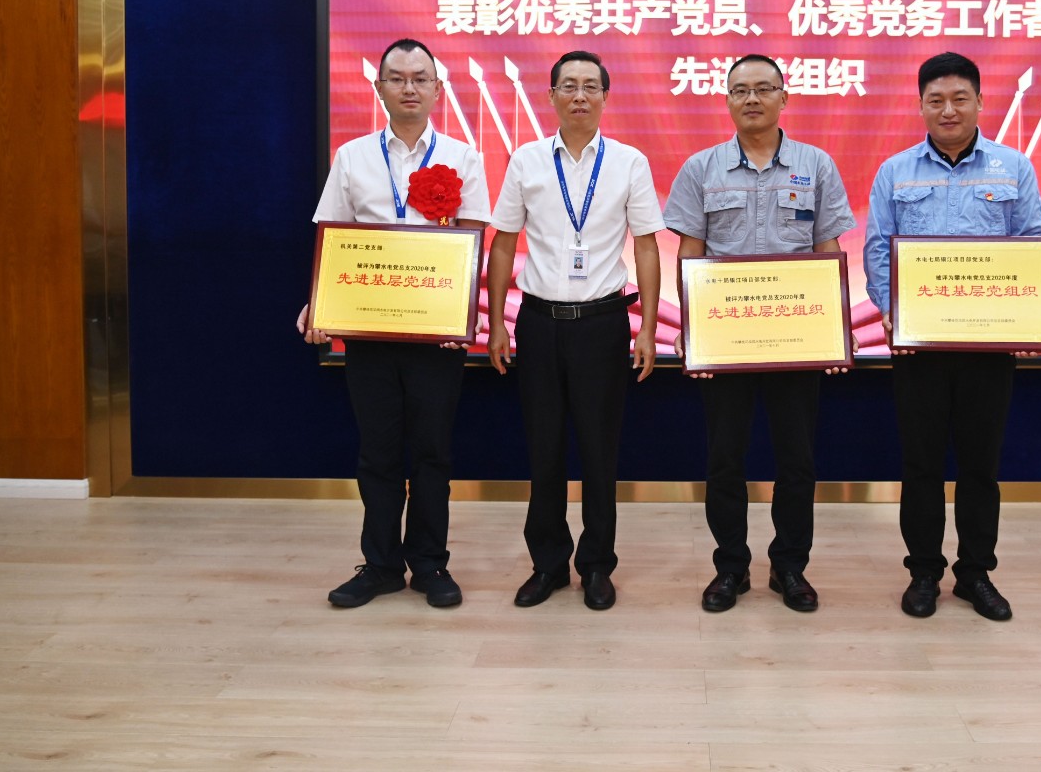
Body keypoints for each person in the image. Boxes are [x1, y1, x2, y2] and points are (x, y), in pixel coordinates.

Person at [296, 38, 491, 610]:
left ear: (437, 89)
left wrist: (464, 312)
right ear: (379, 87)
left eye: (420, 78)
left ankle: (430, 564)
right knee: (377, 452)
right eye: (398, 78)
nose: (410, 87)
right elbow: (331, 237)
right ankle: (380, 565)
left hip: (436, 334)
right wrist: (316, 304)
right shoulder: (353, 156)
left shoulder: (463, 157)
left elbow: (474, 241)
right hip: (370, 331)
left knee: (432, 452)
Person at [662, 54, 855, 613]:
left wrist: (834, 331)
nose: (752, 99)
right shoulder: (701, 168)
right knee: (725, 459)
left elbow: (827, 249)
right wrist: (692, 328)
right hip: (726, 341)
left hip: (797, 340)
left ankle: (790, 567)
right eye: (740, 90)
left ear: (784, 97)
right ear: (726, 99)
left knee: (797, 461)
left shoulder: (816, 165)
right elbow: (690, 253)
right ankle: (731, 568)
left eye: (764, 88)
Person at [863, 51, 1041, 622]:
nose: (948, 109)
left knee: (979, 466)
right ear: (921, 106)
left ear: (979, 102)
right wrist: (891, 310)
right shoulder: (896, 171)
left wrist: (1030, 316)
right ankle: (923, 572)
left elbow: (1033, 241)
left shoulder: (1013, 167)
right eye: (936, 100)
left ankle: (975, 573)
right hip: (918, 347)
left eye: (959, 98)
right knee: (920, 464)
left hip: (987, 348)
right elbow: (877, 248)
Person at [485, 50, 664, 611]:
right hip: (539, 323)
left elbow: (646, 246)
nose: (579, 95)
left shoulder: (630, 162)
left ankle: (597, 566)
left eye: (590, 86)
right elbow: (504, 244)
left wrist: (648, 327)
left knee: (599, 450)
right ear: (551, 96)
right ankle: (548, 565)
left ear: (606, 97)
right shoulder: (526, 160)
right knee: (544, 449)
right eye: (568, 85)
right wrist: (497, 323)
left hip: (603, 323)